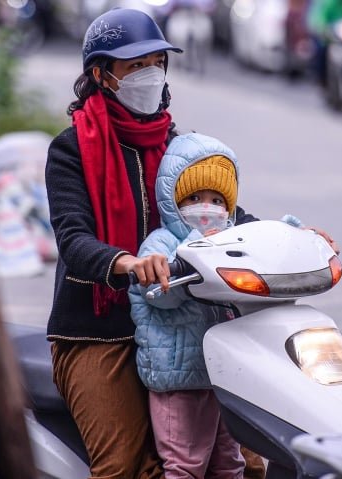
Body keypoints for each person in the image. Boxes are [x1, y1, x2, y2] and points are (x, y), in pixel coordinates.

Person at [44, 7, 269, 478]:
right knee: (123, 467)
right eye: (135, 66)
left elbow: (222, 212)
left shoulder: (177, 145)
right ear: (102, 75)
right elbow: (73, 239)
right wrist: (128, 262)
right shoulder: (70, 149)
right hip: (99, 327)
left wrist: (287, 238)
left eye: (157, 62)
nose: (150, 74)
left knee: (247, 458)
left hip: (178, 321)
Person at [129, 132, 247, 478]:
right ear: (173, 200)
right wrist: (198, 248)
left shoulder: (233, 239)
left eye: (216, 199)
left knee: (229, 464)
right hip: (178, 377)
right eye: (194, 197)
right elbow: (161, 295)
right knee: (184, 465)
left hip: (222, 375)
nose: (206, 208)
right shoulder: (161, 242)